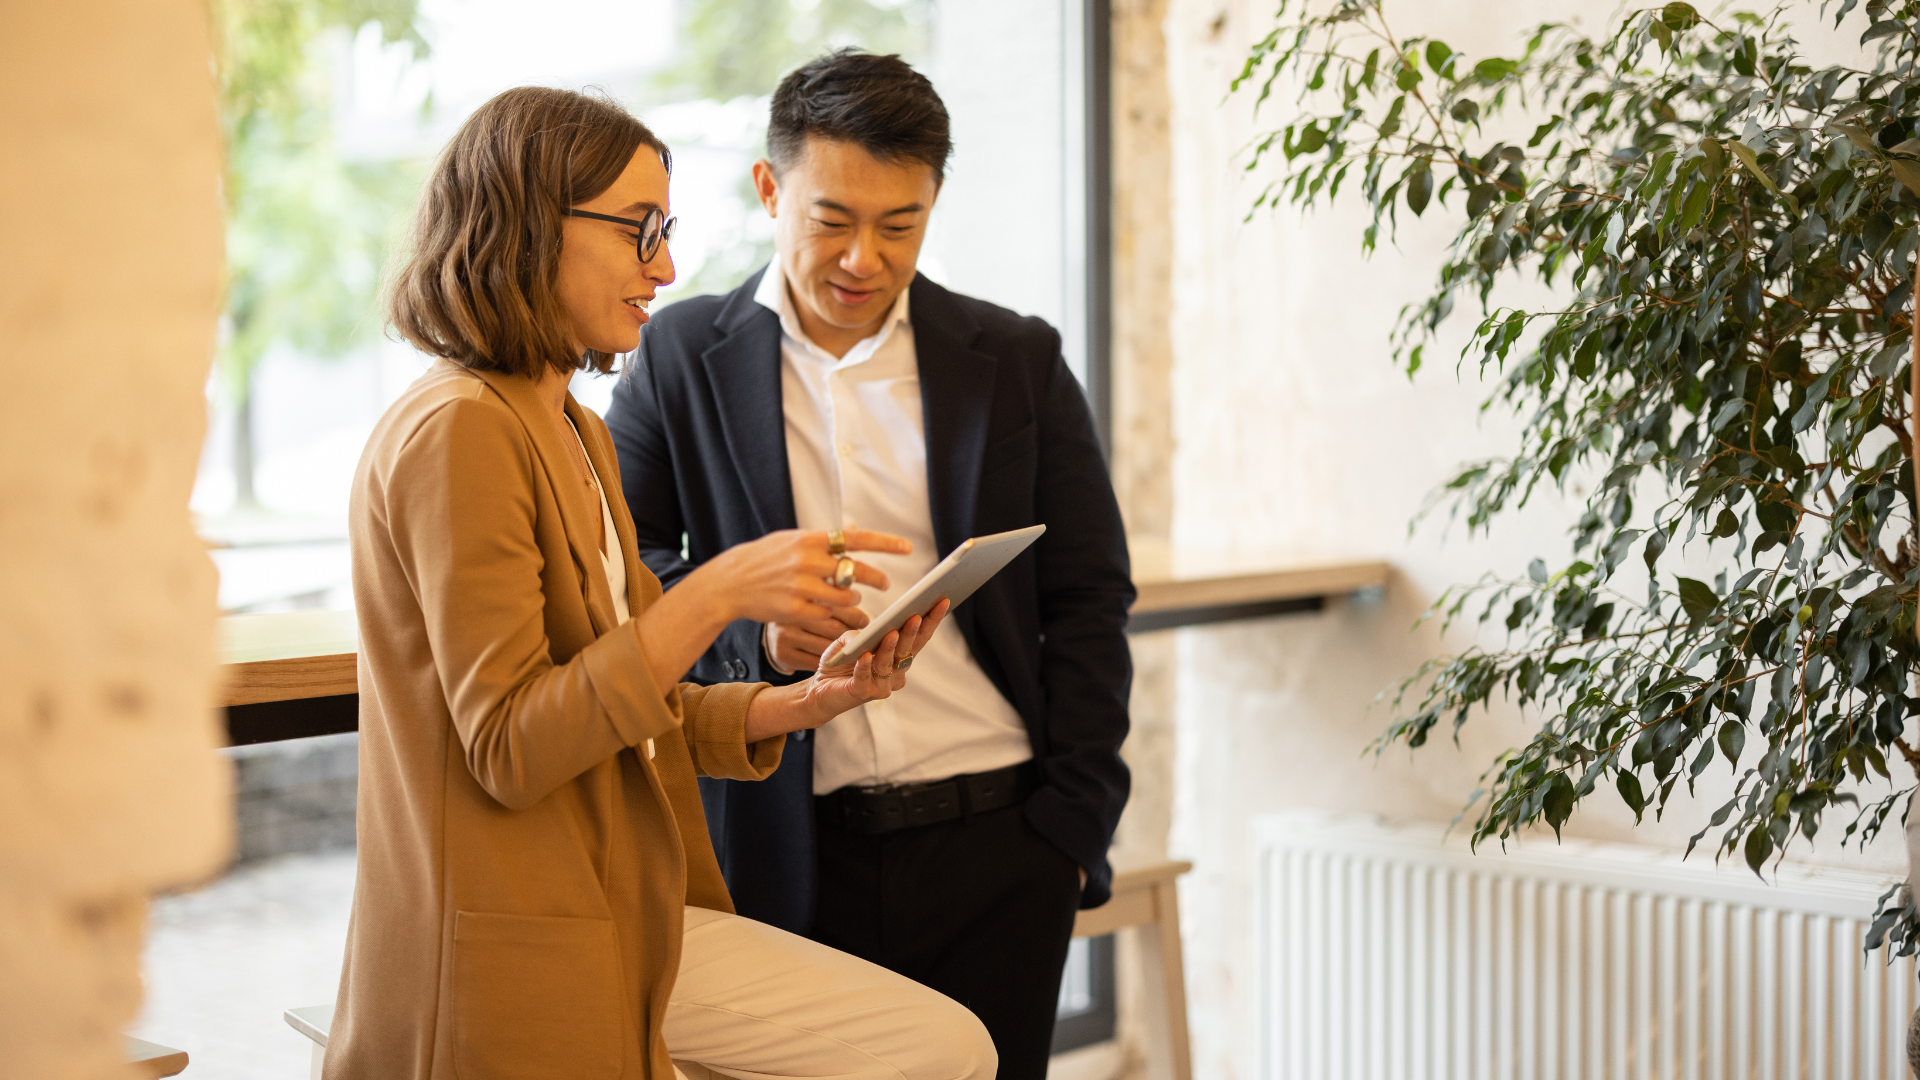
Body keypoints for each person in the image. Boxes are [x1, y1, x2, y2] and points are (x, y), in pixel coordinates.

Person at [327, 85, 992, 1080]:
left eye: (667, 231)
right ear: (525, 224)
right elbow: (512, 745)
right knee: (941, 1048)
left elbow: (645, 710)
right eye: (640, 231)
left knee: (949, 1046)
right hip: (516, 950)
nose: (667, 268)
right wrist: (717, 593)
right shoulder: (458, 430)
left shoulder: (572, 428)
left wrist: (801, 702)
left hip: (626, 911)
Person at [606, 50, 1134, 1080]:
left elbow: (1088, 595)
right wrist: (750, 635)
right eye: (832, 220)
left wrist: (1072, 824)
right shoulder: (678, 356)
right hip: (780, 847)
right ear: (770, 189)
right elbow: (623, 575)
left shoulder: (1015, 358)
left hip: (999, 840)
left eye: (901, 225)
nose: (864, 259)